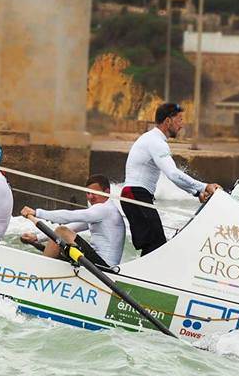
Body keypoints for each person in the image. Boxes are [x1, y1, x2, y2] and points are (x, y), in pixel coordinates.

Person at [122, 102, 222, 256]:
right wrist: (204, 187)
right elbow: (173, 174)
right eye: (179, 120)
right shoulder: (156, 142)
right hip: (135, 194)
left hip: (134, 194)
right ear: (168, 121)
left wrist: (197, 193)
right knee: (157, 245)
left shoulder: (151, 138)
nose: (182, 125)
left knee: (153, 245)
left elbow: (173, 176)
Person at [19, 174, 126, 268]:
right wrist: (37, 238)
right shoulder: (101, 213)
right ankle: (49, 266)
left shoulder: (105, 209)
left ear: (107, 192)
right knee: (61, 233)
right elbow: (72, 227)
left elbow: (69, 216)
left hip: (104, 266)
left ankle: (43, 270)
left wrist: (37, 213)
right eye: (88, 193)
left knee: (61, 231)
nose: (90, 197)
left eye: (94, 193)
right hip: (97, 261)